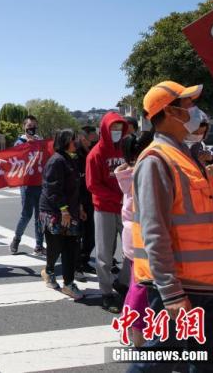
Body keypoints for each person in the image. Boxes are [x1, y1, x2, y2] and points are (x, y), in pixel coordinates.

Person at [126, 82, 213, 372]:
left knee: (211, 365)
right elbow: (154, 232)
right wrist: (171, 292)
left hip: (209, 284)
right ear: (170, 112)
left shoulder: (187, 156)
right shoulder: (156, 160)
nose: (195, 111)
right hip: (180, 288)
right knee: (158, 360)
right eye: (188, 105)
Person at [114, 131, 154, 348]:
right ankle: (137, 333)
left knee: (134, 283)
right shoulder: (143, 172)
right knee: (141, 285)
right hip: (141, 234)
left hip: (131, 234)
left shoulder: (127, 173)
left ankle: (131, 326)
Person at [86, 111, 127, 314]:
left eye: (120, 128)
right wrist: (116, 197)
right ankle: (106, 293)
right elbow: (92, 184)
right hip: (104, 208)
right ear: (105, 129)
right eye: (113, 128)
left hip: (126, 208)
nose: (117, 132)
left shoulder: (125, 150)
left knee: (133, 251)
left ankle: (121, 282)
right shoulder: (95, 154)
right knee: (104, 255)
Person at [39, 129, 85, 300]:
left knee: (71, 247)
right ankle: (49, 271)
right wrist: (64, 210)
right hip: (54, 211)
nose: (77, 142)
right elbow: (53, 189)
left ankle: (68, 283)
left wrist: (79, 207)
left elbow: (75, 187)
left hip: (69, 210)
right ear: (65, 141)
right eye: (74, 139)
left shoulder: (72, 159)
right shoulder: (56, 161)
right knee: (55, 246)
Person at [10, 115, 46, 256]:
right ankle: (16, 240)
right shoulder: (19, 142)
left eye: (34, 126)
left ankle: (39, 245)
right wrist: (28, 144)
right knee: (26, 215)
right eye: (29, 126)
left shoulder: (40, 142)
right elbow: (14, 159)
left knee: (40, 216)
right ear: (24, 127)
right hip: (26, 184)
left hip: (40, 184)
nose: (31, 128)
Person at [75, 125, 99, 282]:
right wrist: (79, 204)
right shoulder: (75, 155)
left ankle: (84, 260)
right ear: (83, 138)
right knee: (78, 235)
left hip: (90, 198)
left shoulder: (90, 153)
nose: (94, 142)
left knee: (91, 235)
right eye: (92, 139)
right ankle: (76, 266)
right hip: (78, 201)